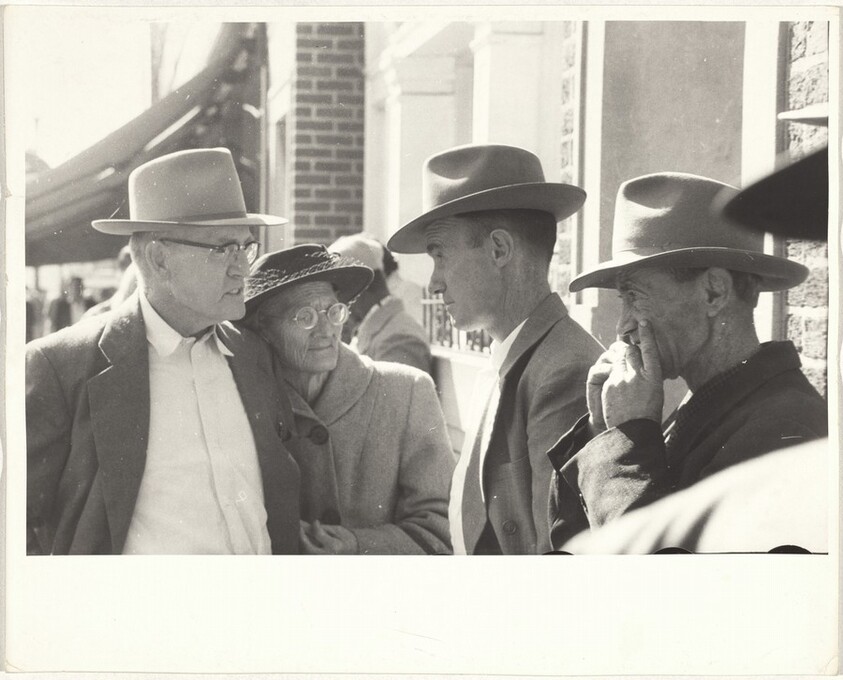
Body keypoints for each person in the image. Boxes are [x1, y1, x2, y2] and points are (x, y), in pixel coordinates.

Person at [26, 147, 301, 555]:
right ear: (159, 259)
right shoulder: (62, 366)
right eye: (222, 248)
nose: (243, 269)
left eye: (245, 247)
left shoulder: (253, 354)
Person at [546, 171, 828, 549]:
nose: (622, 327)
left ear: (713, 292)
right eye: (622, 300)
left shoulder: (783, 429)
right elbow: (575, 553)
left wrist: (626, 438)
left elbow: (664, 578)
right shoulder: (704, 405)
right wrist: (603, 431)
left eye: (635, 296)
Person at [387, 143, 603, 554]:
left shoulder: (564, 371)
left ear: (499, 249)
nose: (434, 282)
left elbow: (557, 558)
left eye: (440, 256)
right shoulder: (511, 356)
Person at [242, 244, 455, 555]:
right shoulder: (244, 402)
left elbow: (442, 530)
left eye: (334, 312)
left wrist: (358, 545)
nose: (326, 330)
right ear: (264, 329)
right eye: (305, 316)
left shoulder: (407, 392)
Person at [329, 233, 432, 374]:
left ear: (360, 286)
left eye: (337, 292)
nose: (336, 303)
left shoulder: (398, 339)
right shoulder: (378, 332)